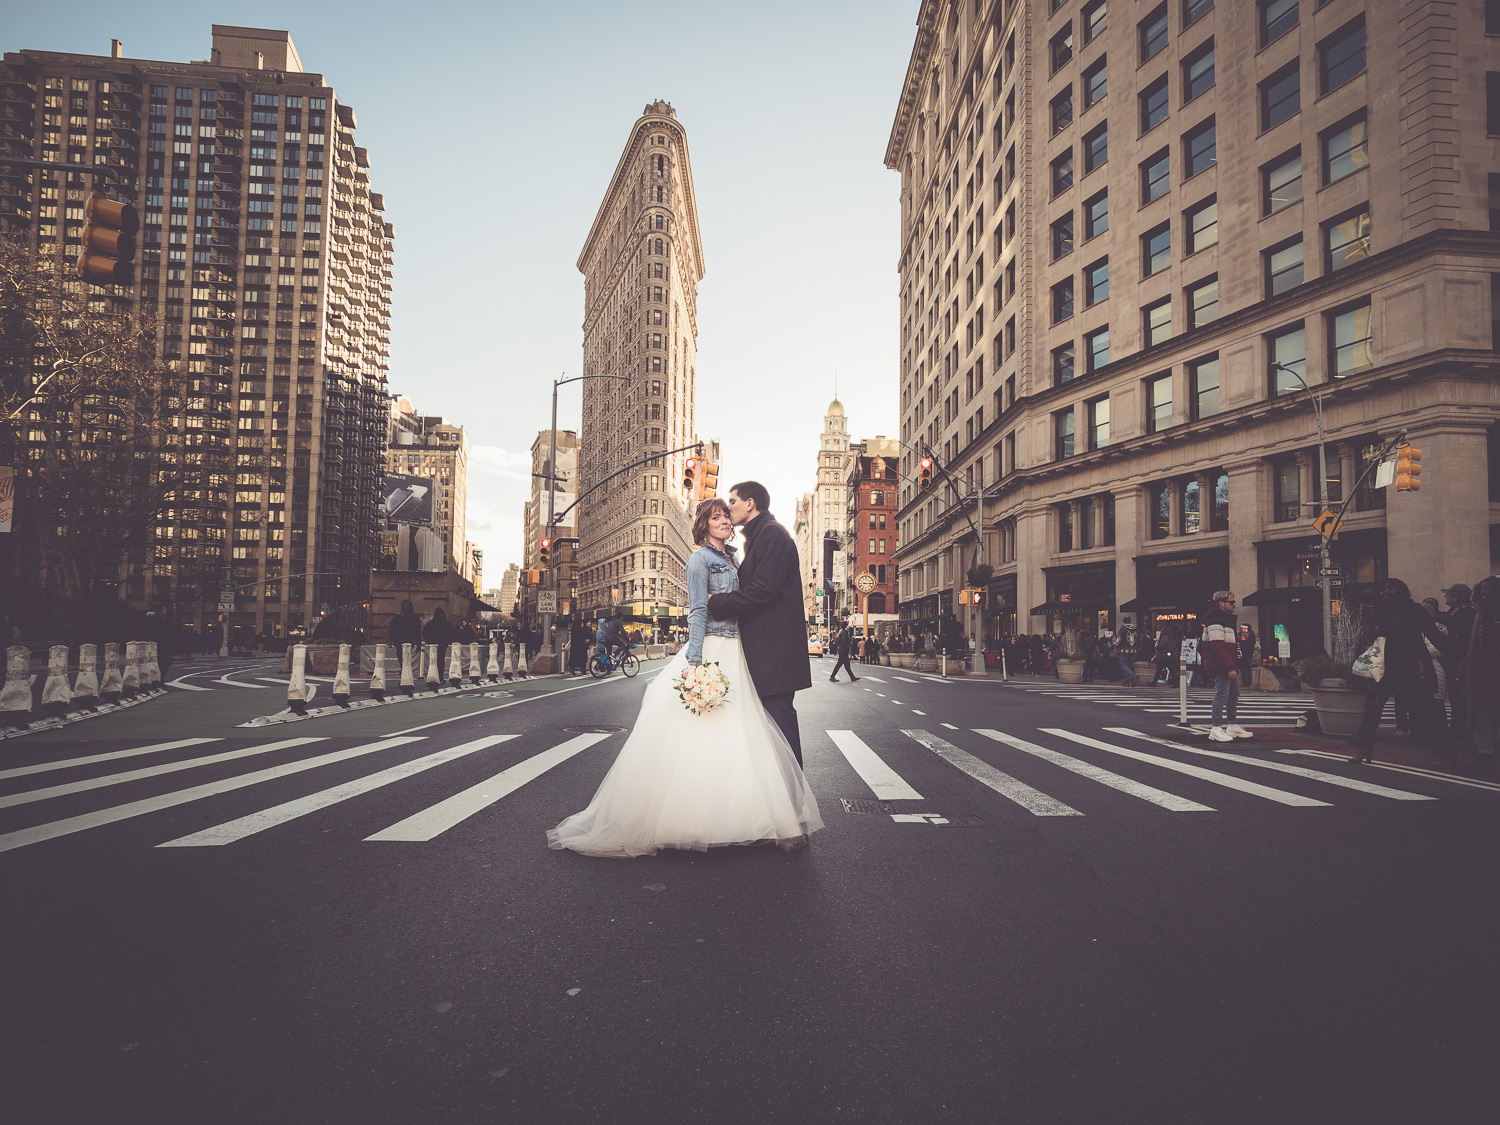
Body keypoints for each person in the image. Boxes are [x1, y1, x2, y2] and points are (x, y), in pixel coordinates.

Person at [548, 497, 822, 857]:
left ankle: (741, 814)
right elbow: (697, 611)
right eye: (716, 517)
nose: (725, 521)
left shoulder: (732, 559)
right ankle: (690, 818)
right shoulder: (699, 560)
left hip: (738, 650)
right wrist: (695, 660)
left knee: (742, 732)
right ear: (704, 525)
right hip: (712, 647)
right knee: (705, 729)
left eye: (727, 515)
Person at [704, 481, 814, 766]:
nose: (728, 509)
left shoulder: (771, 535)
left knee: (780, 727)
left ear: (750, 503)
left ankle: (793, 797)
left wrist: (716, 602)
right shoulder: (759, 536)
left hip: (775, 653)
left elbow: (763, 590)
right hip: (768, 651)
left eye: (733, 502)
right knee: (770, 729)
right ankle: (781, 796)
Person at [1346, 578, 1449, 764]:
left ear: (1401, 591)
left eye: (1391, 589)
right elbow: (1369, 639)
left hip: (1412, 666)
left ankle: (1444, 753)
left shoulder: (1415, 610)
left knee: (1426, 709)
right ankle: (1364, 748)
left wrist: (1453, 659)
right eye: (1383, 589)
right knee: (1372, 708)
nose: (1385, 591)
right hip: (1385, 667)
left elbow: (1433, 635)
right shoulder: (1377, 612)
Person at [1456, 576, 1500, 776]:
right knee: (1482, 716)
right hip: (1483, 674)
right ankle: (1485, 757)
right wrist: (1464, 664)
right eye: (1482, 590)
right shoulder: (1480, 615)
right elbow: (1474, 646)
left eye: (1489, 590)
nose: (1484, 593)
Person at [1201, 591, 1252, 742]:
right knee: (1222, 694)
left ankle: (1231, 725)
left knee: (1233, 693)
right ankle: (1216, 728)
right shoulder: (1215, 619)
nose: (1234, 604)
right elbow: (1217, 646)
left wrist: (1241, 639)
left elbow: (1226, 644)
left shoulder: (1226, 619)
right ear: (1221, 603)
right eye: (1231, 602)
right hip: (1221, 664)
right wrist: (1230, 667)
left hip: (1227, 663)